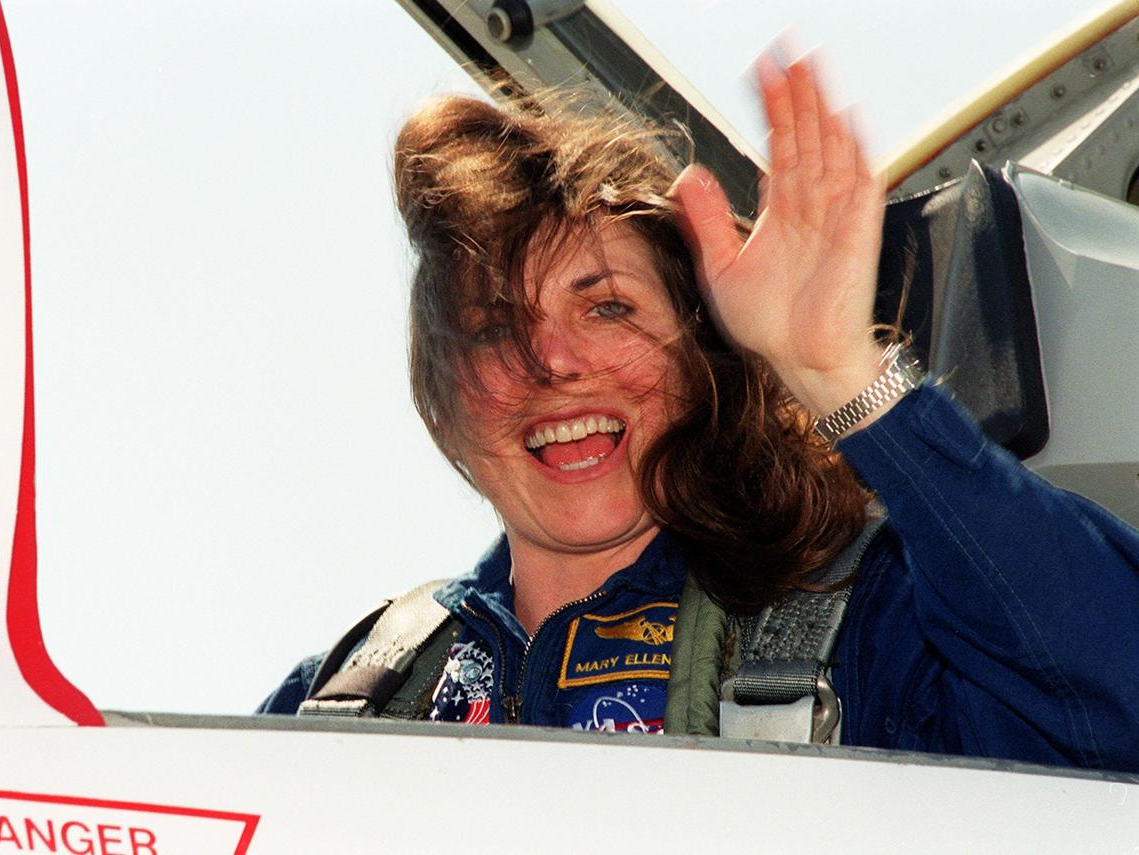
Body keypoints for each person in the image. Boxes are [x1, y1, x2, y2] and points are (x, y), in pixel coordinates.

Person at [261, 53, 1139, 771]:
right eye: (495, 328)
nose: (553, 362)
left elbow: (1112, 694)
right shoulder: (346, 699)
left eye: (607, 307)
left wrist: (833, 370)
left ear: (699, 364)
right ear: (445, 407)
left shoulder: (867, 632)